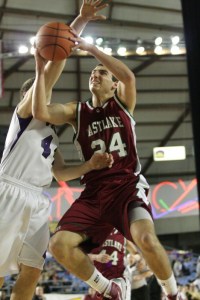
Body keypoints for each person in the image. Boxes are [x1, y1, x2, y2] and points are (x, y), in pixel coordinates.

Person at [31, 31, 182, 300]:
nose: (95, 75)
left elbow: (128, 77)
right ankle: (109, 288)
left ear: (113, 86)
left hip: (126, 187)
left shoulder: (122, 104)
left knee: (146, 240)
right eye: (93, 72)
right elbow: (41, 112)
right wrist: (40, 68)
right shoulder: (77, 112)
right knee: (59, 245)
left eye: (102, 73)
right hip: (94, 194)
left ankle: (173, 294)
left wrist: (93, 50)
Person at [0, 1, 110, 300]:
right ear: (28, 94)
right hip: (9, 191)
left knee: (32, 270)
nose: (44, 92)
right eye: (38, 89)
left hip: (37, 199)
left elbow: (60, 172)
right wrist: (80, 21)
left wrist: (90, 166)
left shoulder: (50, 133)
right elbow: (54, 62)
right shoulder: (23, 116)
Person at [88, 228, 137, 300]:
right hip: (101, 280)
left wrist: (134, 257)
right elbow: (80, 256)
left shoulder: (122, 235)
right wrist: (96, 257)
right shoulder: (93, 233)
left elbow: (137, 254)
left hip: (119, 279)